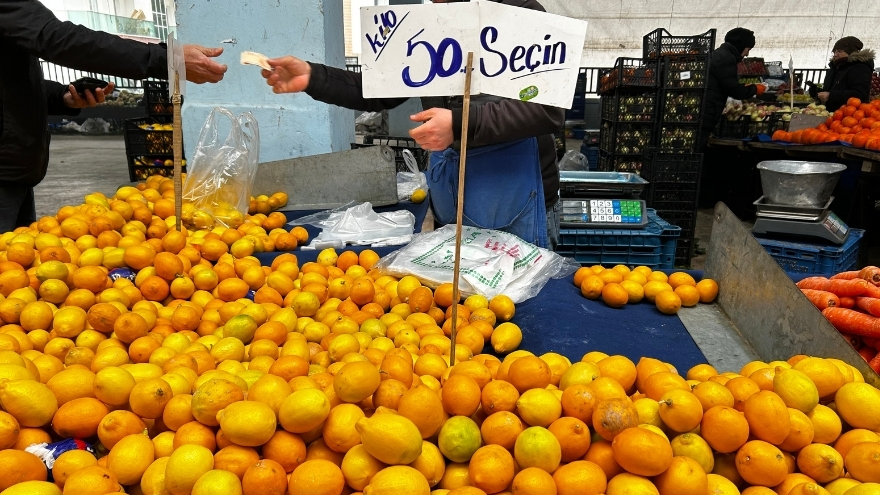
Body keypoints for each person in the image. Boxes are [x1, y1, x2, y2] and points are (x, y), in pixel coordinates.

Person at [261, 0, 564, 249]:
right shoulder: (429, 25)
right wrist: (315, 77)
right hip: (452, 198)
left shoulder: (522, 13)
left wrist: (460, 123)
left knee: (526, 299)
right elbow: (378, 88)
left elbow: (546, 109)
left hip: (519, 202)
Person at [0, 0, 229, 233]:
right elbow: (55, 37)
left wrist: (61, 96)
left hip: (17, 170)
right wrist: (167, 59)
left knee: (18, 252)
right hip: (7, 170)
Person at [700, 27, 768, 151]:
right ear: (740, 45)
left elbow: (726, 82)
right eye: (748, 49)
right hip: (707, 112)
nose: (747, 54)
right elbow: (734, 90)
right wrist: (754, 89)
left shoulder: (720, 54)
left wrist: (744, 87)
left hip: (706, 110)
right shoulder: (726, 58)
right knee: (698, 148)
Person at [812, 36, 874, 112]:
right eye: (834, 51)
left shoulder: (860, 68)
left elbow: (860, 94)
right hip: (832, 113)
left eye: (839, 51)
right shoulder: (835, 67)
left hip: (850, 114)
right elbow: (833, 89)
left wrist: (831, 95)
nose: (835, 54)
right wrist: (817, 93)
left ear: (851, 52)